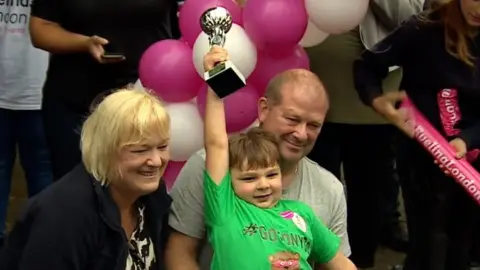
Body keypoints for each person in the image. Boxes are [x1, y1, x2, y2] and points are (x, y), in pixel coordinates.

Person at [166, 68, 351, 270]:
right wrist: (216, 78)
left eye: (314, 125)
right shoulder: (210, 169)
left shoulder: (327, 190)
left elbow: (338, 263)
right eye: (292, 119)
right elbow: (179, 252)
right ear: (264, 109)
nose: (301, 134)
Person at [353, 0, 480, 269]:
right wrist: (378, 101)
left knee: (462, 245)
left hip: (473, 159)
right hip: (421, 158)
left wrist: (466, 140)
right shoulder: (423, 29)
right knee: (427, 245)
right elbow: (366, 67)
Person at [305, 0, 423, 267]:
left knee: (368, 190)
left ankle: (360, 259)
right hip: (313, 92)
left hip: (371, 101)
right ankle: (315, 257)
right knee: (316, 186)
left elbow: (411, 16)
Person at [0, 89, 172, 270]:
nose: (156, 161)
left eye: (162, 147)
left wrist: (207, 73)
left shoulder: (150, 196)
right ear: (105, 150)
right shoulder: (66, 216)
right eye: (140, 150)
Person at [29, 0, 181, 180]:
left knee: (146, 189)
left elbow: (185, 22)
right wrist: (85, 43)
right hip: (77, 103)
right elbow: (41, 29)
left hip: (149, 99)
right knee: (77, 190)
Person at [0, 2, 52, 247]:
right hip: (38, 86)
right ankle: (40, 245)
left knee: (41, 172)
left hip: (35, 89)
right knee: (42, 172)